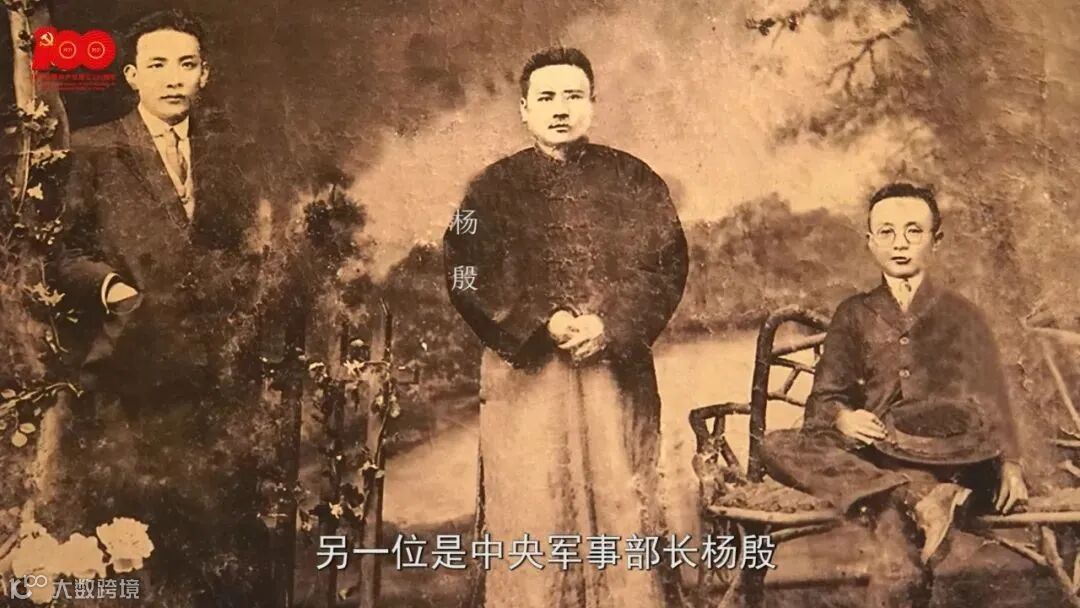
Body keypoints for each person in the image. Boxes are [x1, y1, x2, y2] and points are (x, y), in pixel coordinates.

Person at [443, 47, 689, 608]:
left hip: (613, 370)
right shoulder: (488, 189)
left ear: (593, 104)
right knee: (534, 503)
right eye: (547, 97)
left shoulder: (635, 180)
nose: (560, 109)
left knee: (623, 500)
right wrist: (540, 319)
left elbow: (667, 263)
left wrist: (610, 324)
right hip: (527, 377)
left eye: (573, 96)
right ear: (524, 109)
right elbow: (461, 268)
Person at [45, 9, 267, 605]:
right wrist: (117, 292)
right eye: (158, 64)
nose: (173, 78)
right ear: (132, 75)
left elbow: (245, 246)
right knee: (132, 524)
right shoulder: (93, 148)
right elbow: (62, 253)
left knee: (207, 526)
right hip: (130, 364)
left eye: (186, 65)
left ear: (204, 75)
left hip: (209, 371)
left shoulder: (226, 153)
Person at [763, 183, 1028, 605]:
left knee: (893, 536)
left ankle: (910, 500)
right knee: (777, 444)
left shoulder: (962, 313)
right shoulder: (853, 313)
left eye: (913, 231)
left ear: (936, 240)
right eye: (886, 232)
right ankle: (917, 499)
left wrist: (1011, 463)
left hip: (951, 459)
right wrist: (843, 418)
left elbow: (994, 394)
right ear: (870, 241)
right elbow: (824, 397)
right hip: (879, 453)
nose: (899, 244)